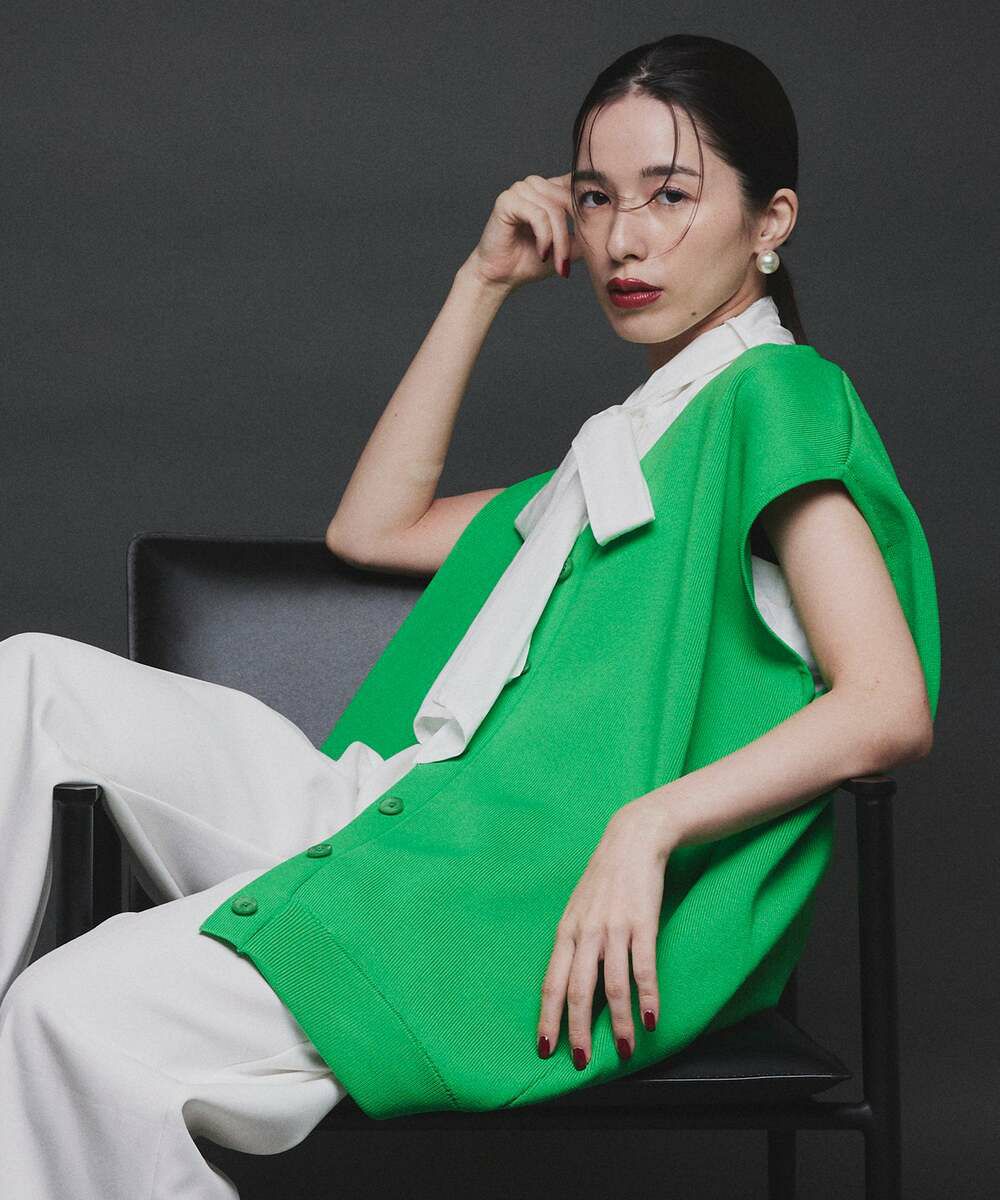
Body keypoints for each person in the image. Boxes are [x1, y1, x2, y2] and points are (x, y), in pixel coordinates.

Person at [0, 32, 939, 1197]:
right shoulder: (628, 450)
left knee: (64, 1014)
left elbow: (886, 703)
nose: (624, 239)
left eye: (670, 194)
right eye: (596, 197)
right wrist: (480, 283)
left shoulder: (775, 396)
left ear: (770, 220)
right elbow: (374, 528)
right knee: (29, 678)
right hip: (403, 820)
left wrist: (646, 827)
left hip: (502, 897)